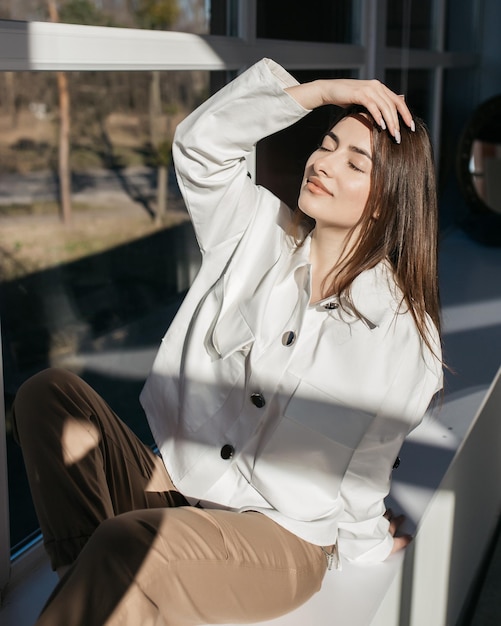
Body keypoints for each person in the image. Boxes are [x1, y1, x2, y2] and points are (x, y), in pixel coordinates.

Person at [13, 58, 443, 625]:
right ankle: (97, 592)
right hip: (175, 485)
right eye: (328, 142)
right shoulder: (255, 230)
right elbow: (199, 145)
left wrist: (366, 544)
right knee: (49, 395)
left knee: (134, 544)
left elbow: (365, 469)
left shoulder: (401, 335)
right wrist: (316, 92)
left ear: (387, 199)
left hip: (277, 539)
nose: (323, 162)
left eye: (354, 161)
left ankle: (112, 589)